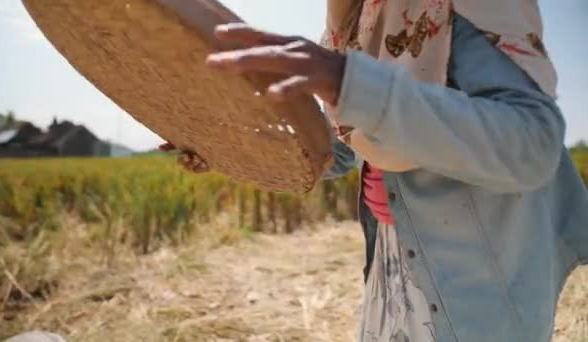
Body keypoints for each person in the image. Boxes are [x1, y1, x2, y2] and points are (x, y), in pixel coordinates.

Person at [163, 1, 588, 341]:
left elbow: (533, 143)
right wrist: (230, 146)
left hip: (473, 276)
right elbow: (344, 150)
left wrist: (350, 83)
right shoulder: (356, 20)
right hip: (397, 256)